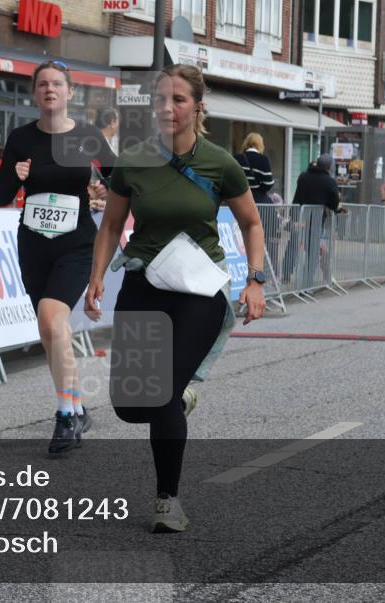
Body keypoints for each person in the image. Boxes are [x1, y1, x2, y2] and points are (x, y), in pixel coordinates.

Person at [85, 64, 265, 533]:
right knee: (131, 404)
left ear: (197, 106)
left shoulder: (220, 163)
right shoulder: (135, 158)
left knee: (160, 392)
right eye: (161, 99)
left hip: (199, 290)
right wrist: (97, 278)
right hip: (146, 283)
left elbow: (251, 222)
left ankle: (167, 500)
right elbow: (110, 225)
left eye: (179, 99)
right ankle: (180, 396)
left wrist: (255, 280)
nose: (168, 107)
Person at [0, 60, 111, 455]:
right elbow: (1, 196)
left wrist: (118, 203)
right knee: (52, 332)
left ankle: (63, 416)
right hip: (34, 244)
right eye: (42, 84)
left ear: (70, 92)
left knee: (50, 318)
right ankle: (77, 406)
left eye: (57, 84)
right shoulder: (21, 138)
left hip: (76, 243)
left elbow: (121, 181)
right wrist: (18, 175)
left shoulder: (88, 135)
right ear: (34, 92)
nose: (49, 90)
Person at [282, 153, 343, 284]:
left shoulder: (303, 177)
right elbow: (334, 202)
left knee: (293, 245)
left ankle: (285, 274)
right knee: (313, 252)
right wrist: (333, 207)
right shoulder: (328, 181)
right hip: (314, 221)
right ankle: (306, 281)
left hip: (298, 217)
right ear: (329, 166)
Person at [234, 132, 275, 204]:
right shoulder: (263, 159)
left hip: (240, 200)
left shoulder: (237, 158)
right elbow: (268, 183)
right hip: (257, 202)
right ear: (260, 144)